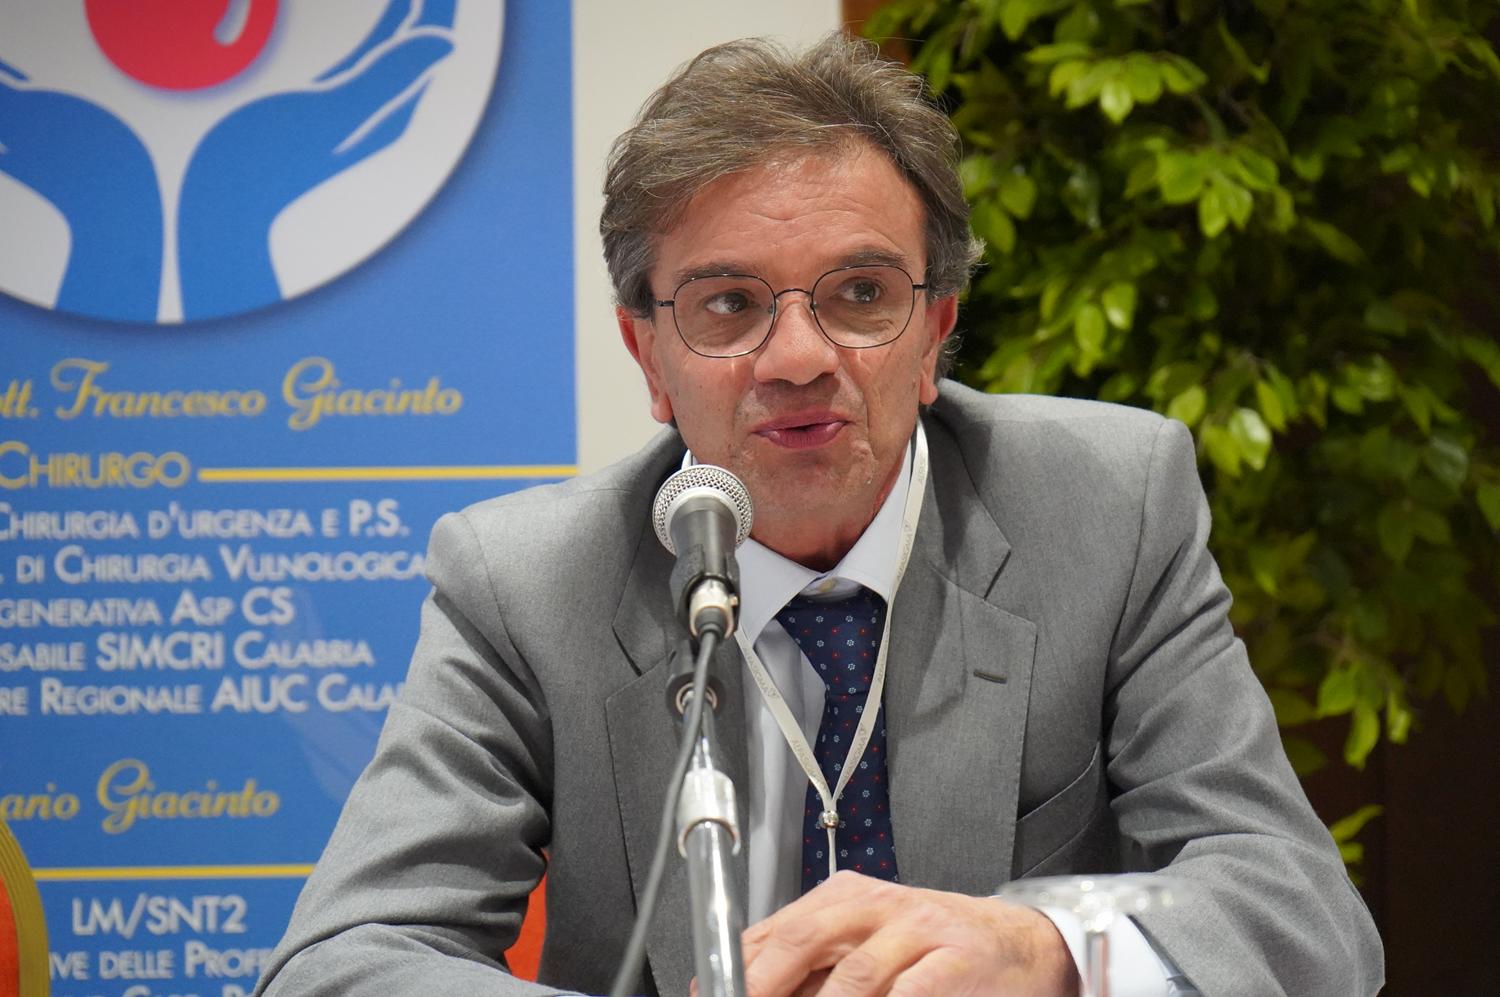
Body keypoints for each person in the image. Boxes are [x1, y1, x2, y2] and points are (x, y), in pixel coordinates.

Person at [255, 33, 1383, 997]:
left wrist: (1044, 946)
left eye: (860, 294)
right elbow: (340, 960)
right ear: (648, 356)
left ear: (935, 332)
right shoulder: (526, 584)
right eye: (729, 303)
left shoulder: (1105, 506)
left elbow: (1304, 915)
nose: (797, 358)